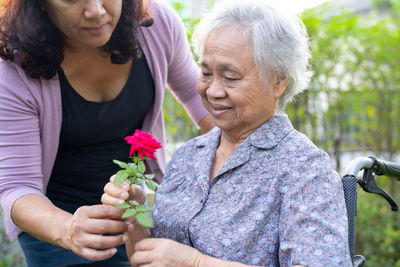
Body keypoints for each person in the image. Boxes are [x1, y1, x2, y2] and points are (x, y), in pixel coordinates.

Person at [102, 0, 353, 266]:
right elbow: (149, 258)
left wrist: (196, 263)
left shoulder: (305, 169)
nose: (212, 91)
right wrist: (133, 214)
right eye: (206, 73)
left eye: (230, 77)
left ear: (279, 81)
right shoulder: (189, 156)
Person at [0, 0, 214, 266]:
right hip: (57, 224)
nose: (96, 11)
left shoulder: (153, 24)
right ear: (40, 5)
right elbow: (17, 188)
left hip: (138, 210)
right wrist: (67, 229)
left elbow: (203, 102)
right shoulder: (12, 65)